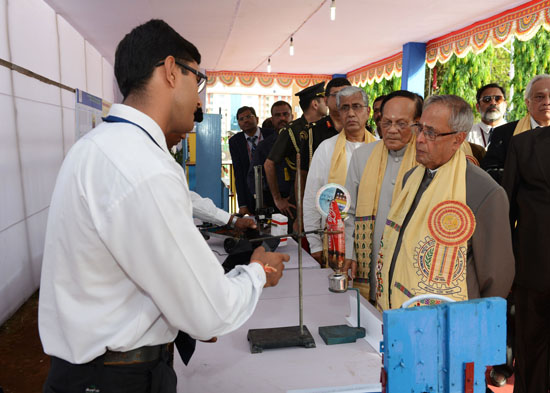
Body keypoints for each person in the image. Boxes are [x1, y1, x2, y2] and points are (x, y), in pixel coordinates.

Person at [39, 19, 289, 393]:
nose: (199, 100)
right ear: (172, 71)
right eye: (198, 81)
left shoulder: (100, 146)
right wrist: (257, 271)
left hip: (90, 371)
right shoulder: (141, 165)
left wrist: (187, 307)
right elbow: (212, 312)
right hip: (118, 379)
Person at [372, 95, 514, 311]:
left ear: (458, 140)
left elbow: (496, 278)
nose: (419, 139)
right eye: (419, 128)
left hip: (453, 320)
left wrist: (473, 320)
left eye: (431, 133)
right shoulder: (412, 178)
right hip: (400, 308)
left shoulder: (485, 192)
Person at [344, 90, 422, 301]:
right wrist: (349, 253)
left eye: (402, 124)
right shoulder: (362, 156)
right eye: (386, 123)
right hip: (369, 262)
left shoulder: (426, 159)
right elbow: (348, 211)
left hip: (410, 263)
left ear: (418, 123)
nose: (392, 130)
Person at [303, 86, 376, 264]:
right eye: (345, 108)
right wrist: (315, 245)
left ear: (367, 112)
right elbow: (312, 197)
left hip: (375, 242)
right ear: (338, 113)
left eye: (357, 106)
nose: (351, 113)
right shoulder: (326, 149)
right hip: (336, 241)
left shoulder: (380, 148)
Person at [502, 126, 550, 393]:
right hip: (533, 267)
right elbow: (506, 208)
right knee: (531, 351)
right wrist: (507, 267)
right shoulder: (523, 144)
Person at [264, 82, 327, 219]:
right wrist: (277, 199)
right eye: (324, 99)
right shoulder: (292, 130)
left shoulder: (326, 126)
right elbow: (269, 164)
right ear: (315, 104)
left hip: (325, 191)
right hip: (302, 193)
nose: (327, 103)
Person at [482, 74, 550, 183]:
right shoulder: (504, 134)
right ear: (528, 103)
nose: (547, 102)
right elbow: (489, 171)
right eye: (540, 97)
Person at [246, 101, 293, 212]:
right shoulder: (264, 146)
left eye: (285, 114)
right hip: (273, 203)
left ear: (292, 116)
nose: (282, 118)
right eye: (277, 115)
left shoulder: (302, 141)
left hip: (299, 200)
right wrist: (262, 202)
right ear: (272, 119)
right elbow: (253, 176)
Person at [229, 106, 275, 215]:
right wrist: (242, 204)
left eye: (249, 116)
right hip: (250, 192)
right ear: (239, 124)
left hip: (273, 190)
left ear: (257, 119)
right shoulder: (235, 141)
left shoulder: (271, 134)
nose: (245, 120)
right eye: (241, 119)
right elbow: (238, 173)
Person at [467, 83, 507, 149]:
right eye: (487, 99)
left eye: (498, 98)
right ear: (477, 107)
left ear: (505, 105)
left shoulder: (515, 133)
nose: (493, 103)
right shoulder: (467, 134)